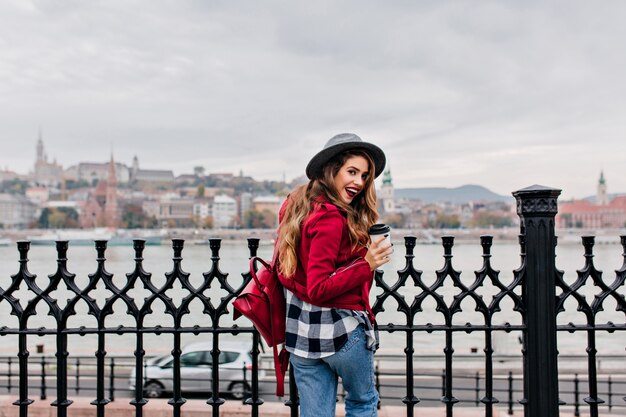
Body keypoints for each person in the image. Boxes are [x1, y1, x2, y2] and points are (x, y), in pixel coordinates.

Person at [276, 133, 393, 417]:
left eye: (364, 175)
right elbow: (319, 287)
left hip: (301, 336)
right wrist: (366, 263)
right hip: (341, 334)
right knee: (362, 403)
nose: (359, 182)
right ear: (331, 170)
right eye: (351, 172)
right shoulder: (330, 217)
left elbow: (285, 272)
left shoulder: (296, 208)